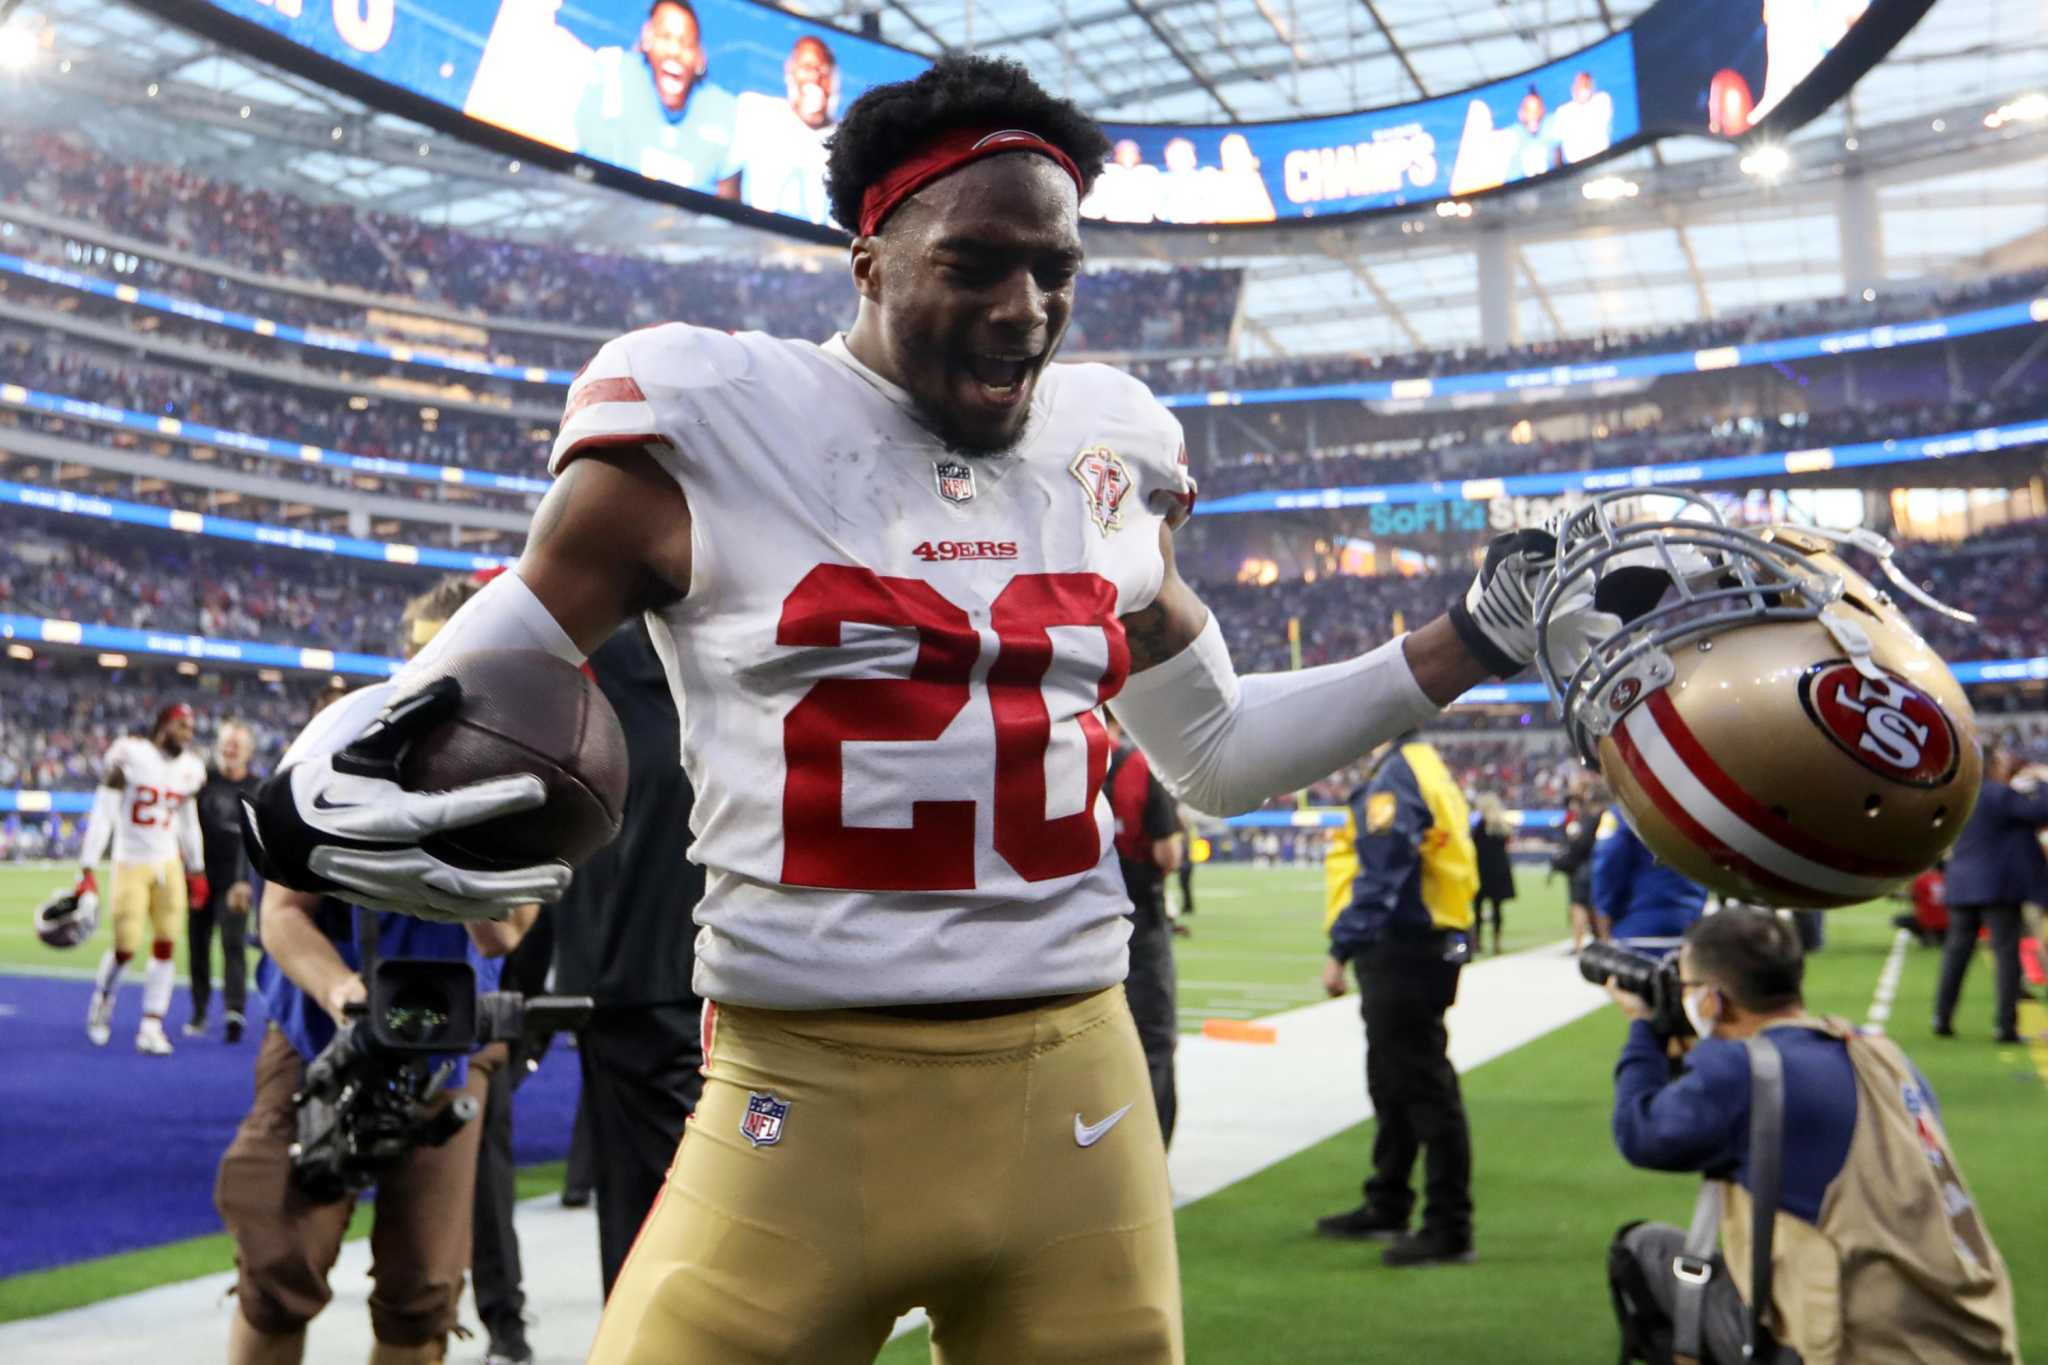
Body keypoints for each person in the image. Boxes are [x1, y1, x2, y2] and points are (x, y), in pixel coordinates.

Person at [242, 54, 1600, 1363]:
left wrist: (1467, 640)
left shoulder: (1107, 451)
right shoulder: (709, 421)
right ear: (871, 258)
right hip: (802, 1090)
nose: (1025, 307)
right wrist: (318, 789)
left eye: (1055, 268)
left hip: (1077, 1084)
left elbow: (1220, 755)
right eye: (975, 263)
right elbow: (470, 677)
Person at [216, 587, 537, 1365]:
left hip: (443, 1045)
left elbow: (506, 930)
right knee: (278, 1259)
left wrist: (461, 838)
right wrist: (344, 993)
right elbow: (283, 913)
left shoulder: (523, 763)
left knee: (423, 1287)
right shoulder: (339, 740)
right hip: (323, 1032)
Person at [1606, 909, 2017, 1365]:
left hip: (1855, 1348)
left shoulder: (1742, 1070)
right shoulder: (1878, 1050)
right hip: (1971, 1335)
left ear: (1710, 1001)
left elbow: (1637, 1132)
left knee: (1640, 1249)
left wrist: (1644, 1027)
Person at [1316, 733, 1479, 1267]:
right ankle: (1388, 1199)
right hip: (1426, 939)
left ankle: (1448, 1225)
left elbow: (1385, 863)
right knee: (1395, 1082)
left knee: (1422, 1086)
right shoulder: (1426, 764)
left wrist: (1342, 947)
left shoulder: (1396, 774)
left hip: (1405, 944)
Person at [77, 702, 208, 1054]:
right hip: (130, 862)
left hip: (167, 864)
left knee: (166, 943)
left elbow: (187, 821)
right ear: (164, 725)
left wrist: (196, 868)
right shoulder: (130, 754)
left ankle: (152, 1025)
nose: (188, 734)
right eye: (183, 726)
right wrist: (87, 867)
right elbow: (103, 812)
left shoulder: (190, 768)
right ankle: (103, 1000)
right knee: (126, 946)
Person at [1105, 711, 1186, 1146]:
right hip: (1138, 921)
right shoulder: (1139, 767)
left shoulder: (1067, 760)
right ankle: (1149, 1156)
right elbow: (1166, 854)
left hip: (1081, 925)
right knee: (1153, 1042)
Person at [1933, 738, 2048, 1044]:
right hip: (1998, 886)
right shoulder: (1997, 793)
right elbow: (2041, 810)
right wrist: (2042, 781)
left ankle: (1942, 1017)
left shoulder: (1958, 795)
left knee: (1956, 954)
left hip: (1961, 884)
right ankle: (2005, 1026)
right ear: (1992, 765)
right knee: (2006, 955)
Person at [574, 0, 741, 196]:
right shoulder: (612, 74)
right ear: (647, 38)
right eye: (665, 37)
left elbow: (727, 209)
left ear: (699, 57)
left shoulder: (725, 111)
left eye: (686, 43)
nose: (675, 51)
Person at [187, 720, 258, 1043]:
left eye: (236, 745)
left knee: (233, 945)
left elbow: (254, 839)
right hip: (201, 875)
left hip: (235, 879)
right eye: (226, 744)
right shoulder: (204, 782)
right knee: (197, 945)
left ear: (249, 752)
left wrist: (245, 881)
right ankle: (199, 1011)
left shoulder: (258, 788)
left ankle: (234, 1012)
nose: (230, 750)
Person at [732, 35, 837, 224]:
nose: (815, 76)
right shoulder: (757, 111)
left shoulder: (847, 142)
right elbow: (728, 181)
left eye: (823, 70)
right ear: (790, 73)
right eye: (806, 68)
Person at [1591, 807, 1707, 946]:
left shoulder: (1623, 811)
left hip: (1637, 931)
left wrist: (1604, 917)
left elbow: (1607, 866)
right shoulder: (1692, 809)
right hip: (1690, 927)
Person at [1552, 789, 1600, 953]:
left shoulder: (1581, 822)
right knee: (1591, 906)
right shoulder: (1592, 819)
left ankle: (1579, 944)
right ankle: (1597, 941)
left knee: (1579, 907)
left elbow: (1577, 848)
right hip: (1591, 869)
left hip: (1581, 870)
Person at [1469, 792, 1515, 955]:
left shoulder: (1480, 825)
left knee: (1478, 908)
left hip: (1482, 871)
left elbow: (1472, 845)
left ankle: (1478, 942)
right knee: (1496, 908)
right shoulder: (1502, 826)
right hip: (1499, 871)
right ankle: (1497, 942)